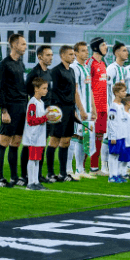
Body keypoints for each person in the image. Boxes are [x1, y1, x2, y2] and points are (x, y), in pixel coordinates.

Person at [0, 33, 28, 186]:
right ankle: (0, 178)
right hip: (10, 107)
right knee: (4, 141)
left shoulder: (20, 63)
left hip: (22, 106)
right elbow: (0, 89)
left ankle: (14, 177)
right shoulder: (4, 64)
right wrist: (4, 110)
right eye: (23, 44)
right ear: (14, 45)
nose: (25, 47)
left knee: (16, 142)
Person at [49, 45, 82, 182]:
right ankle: (50, 173)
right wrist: (55, 110)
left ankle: (63, 173)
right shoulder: (56, 71)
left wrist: (74, 110)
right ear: (62, 55)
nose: (73, 57)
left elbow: (73, 92)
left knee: (66, 141)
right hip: (59, 110)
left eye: (74, 55)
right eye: (70, 54)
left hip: (69, 110)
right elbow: (52, 91)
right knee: (54, 140)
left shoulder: (72, 71)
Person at [27, 45, 54, 181]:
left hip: (46, 112)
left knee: (42, 144)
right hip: (38, 114)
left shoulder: (49, 73)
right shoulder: (34, 73)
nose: (51, 58)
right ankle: (30, 176)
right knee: (33, 146)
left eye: (51, 55)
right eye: (48, 55)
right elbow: (27, 91)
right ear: (40, 57)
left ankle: (38, 175)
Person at [70, 42, 95, 179]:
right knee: (77, 136)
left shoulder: (86, 68)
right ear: (76, 53)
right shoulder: (74, 68)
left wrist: (94, 108)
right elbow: (74, 90)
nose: (87, 53)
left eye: (87, 50)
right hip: (79, 110)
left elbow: (89, 89)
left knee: (85, 138)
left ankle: (81, 169)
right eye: (83, 51)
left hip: (88, 109)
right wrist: (80, 109)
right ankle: (72, 169)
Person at [87, 37, 109, 174]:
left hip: (103, 107)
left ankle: (94, 166)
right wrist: (92, 106)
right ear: (96, 47)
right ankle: (80, 166)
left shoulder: (103, 63)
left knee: (99, 137)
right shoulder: (90, 63)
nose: (106, 47)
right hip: (93, 108)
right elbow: (87, 86)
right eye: (104, 45)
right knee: (87, 136)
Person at [24, 78, 49, 191]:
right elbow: (31, 120)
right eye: (43, 88)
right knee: (33, 158)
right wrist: (45, 117)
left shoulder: (41, 102)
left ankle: (36, 181)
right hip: (33, 135)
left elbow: (41, 117)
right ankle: (30, 183)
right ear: (36, 89)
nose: (46, 90)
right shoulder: (33, 103)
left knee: (37, 159)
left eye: (46, 88)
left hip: (39, 135)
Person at [107, 82, 128, 183]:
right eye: (123, 91)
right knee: (113, 155)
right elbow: (111, 122)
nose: (125, 93)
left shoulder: (121, 105)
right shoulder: (113, 106)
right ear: (116, 93)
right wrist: (113, 136)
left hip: (121, 134)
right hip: (115, 135)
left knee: (118, 155)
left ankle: (116, 174)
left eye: (125, 91)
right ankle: (111, 176)